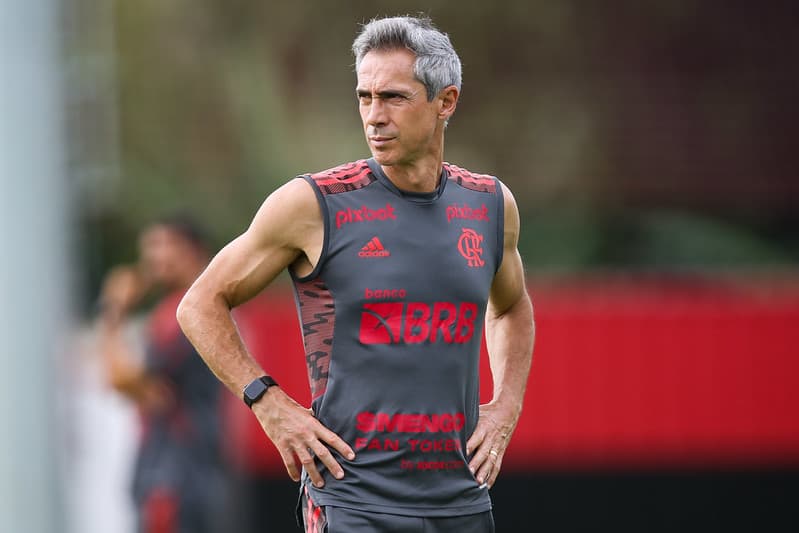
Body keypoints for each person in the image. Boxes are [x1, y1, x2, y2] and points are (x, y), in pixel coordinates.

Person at [177, 15, 535, 533]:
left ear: (446, 102)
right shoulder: (314, 204)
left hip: (462, 501)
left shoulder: (488, 205)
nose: (374, 116)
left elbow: (512, 307)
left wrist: (506, 406)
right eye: (364, 97)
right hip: (352, 500)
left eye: (393, 97)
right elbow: (199, 304)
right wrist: (268, 402)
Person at [98, 216, 227, 533]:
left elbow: (125, 380)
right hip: (182, 471)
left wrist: (113, 312)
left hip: (175, 476)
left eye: (162, 245)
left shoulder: (188, 312)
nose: (152, 258)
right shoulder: (183, 307)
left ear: (193, 250)